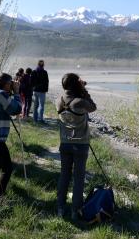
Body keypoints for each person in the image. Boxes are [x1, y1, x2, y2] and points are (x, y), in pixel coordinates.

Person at [56, 73, 97, 220]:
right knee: (78, 178)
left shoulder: (59, 101)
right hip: (80, 145)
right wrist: (84, 90)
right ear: (76, 84)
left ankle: (60, 208)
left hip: (65, 143)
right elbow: (93, 107)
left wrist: (78, 88)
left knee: (64, 176)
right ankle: (75, 210)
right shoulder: (80, 101)